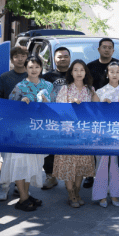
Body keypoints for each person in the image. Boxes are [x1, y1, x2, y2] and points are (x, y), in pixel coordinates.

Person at [5, 55, 53, 212]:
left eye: (37, 67)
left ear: (41, 68)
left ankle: (26, 194)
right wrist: (21, 103)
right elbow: (10, 106)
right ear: (26, 68)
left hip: (39, 132)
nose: (34, 70)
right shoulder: (20, 86)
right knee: (20, 162)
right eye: (31, 67)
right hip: (21, 131)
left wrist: (47, 103)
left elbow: (55, 107)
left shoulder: (48, 86)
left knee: (32, 164)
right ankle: (23, 198)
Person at [53, 60, 99, 208]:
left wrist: (97, 97)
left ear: (86, 72)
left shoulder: (90, 90)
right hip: (68, 134)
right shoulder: (65, 89)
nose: (79, 73)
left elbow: (96, 109)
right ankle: (71, 194)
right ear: (71, 73)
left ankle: (77, 191)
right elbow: (59, 110)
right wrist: (71, 104)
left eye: (82, 70)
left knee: (80, 164)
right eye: (75, 70)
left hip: (84, 134)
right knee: (68, 164)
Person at [0, 46, 28, 201]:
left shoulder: (32, 76)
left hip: (27, 124)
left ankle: (21, 188)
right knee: (5, 157)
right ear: (12, 59)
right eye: (16, 56)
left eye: (23, 56)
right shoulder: (5, 77)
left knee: (24, 157)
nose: (20, 59)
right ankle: (4, 187)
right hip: (8, 123)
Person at [93, 61, 119, 207]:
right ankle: (101, 195)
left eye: (117, 72)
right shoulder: (99, 92)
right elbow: (93, 114)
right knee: (101, 164)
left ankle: (115, 194)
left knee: (117, 165)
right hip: (102, 132)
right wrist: (102, 106)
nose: (115, 74)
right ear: (107, 74)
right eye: (112, 72)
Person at [41, 46, 71, 191]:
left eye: (65, 56)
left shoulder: (75, 74)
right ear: (54, 59)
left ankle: (69, 178)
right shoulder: (47, 77)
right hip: (52, 118)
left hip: (71, 118)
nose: (62, 59)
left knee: (69, 148)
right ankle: (50, 176)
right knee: (50, 148)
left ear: (70, 58)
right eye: (59, 56)